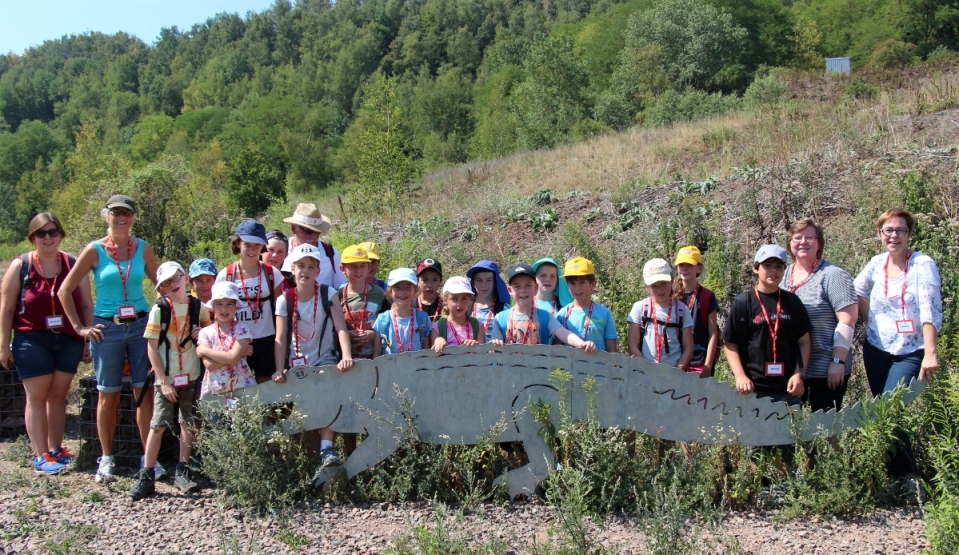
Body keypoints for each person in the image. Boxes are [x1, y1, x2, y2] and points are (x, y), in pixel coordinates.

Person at [57, 194, 160, 483]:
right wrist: (80, 328)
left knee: (144, 393)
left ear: (133, 217)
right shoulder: (94, 251)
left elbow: (161, 284)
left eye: (126, 213)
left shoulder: (142, 248)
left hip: (141, 326)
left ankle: (148, 459)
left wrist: (164, 317)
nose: (121, 218)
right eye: (115, 213)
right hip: (107, 329)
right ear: (107, 217)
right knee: (107, 394)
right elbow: (65, 290)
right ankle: (107, 458)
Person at [0, 213, 93, 475]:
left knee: (58, 396)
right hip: (32, 338)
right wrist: (3, 346)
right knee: (37, 396)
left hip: (68, 338)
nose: (48, 237)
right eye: (41, 233)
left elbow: (86, 303)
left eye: (53, 232)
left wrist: (87, 337)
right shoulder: (21, 266)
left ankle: (55, 449)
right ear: (33, 237)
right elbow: (7, 309)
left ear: (60, 234)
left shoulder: (72, 263)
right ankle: (40, 455)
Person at [854, 208, 942, 477]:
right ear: (880, 234)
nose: (894, 236)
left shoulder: (922, 264)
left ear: (909, 234)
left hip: (910, 350)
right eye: (888, 230)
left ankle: (905, 476)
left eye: (900, 230)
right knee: (885, 410)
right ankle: (897, 474)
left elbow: (929, 308)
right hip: (876, 348)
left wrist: (931, 352)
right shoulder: (876, 263)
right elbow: (856, 290)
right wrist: (872, 320)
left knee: (890, 409)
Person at [130, 262, 211, 500]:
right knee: (158, 424)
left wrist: (203, 335)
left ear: (186, 279)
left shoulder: (199, 307)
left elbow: (210, 333)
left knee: (187, 423)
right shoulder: (160, 309)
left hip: (193, 374)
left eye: (176, 278)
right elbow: (152, 348)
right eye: (167, 283)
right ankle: (147, 474)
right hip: (166, 377)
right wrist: (163, 380)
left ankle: (182, 472)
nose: (173, 285)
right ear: (162, 288)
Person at [272, 244, 354, 467]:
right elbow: (280, 339)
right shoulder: (284, 300)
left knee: (328, 396)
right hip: (296, 362)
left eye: (311, 267)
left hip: (324, 358)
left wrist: (346, 355)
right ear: (292, 268)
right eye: (300, 266)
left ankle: (327, 449)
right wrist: (280, 368)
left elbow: (340, 328)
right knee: (302, 409)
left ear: (318, 271)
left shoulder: (328, 294)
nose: (305, 271)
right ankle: (305, 461)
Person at [782, 219, 858, 412]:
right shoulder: (782, 275)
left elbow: (848, 320)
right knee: (792, 429)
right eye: (797, 238)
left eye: (809, 237)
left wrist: (837, 361)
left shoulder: (833, 275)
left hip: (825, 369)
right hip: (791, 371)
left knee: (825, 430)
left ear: (819, 243)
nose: (803, 242)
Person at [722, 245, 811, 404]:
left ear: (785, 270)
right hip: (752, 388)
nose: (773, 270)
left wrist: (799, 374)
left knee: (789, 429)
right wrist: (740, 376)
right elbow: (730, 344)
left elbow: (804, 341)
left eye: (778, 266)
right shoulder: (743, 302)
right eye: (767, 265)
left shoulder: (793, 302)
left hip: (788, 388)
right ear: (756, 268)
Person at [215, 219, 284, 384]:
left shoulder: (272, 273)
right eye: (247, 244)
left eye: (257, 245)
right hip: (237, 339)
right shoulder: (226, 275)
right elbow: (217, 312)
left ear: (263, 247)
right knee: (238, 387)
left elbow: (279, 309)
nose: (252, 250)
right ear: (238, 243)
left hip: (267, 338)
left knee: (267, 387)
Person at [489, 263, 597, 352]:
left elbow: (563, 333)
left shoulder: (545, 317)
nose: (523, 290)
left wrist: (582, 343)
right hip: (509, 375)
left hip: (539, 375)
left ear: (535, 288)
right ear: (509, 290)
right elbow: (495, 346)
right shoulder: (500, 318)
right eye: (517, 286)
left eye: (528, 285)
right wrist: (495, 344)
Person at [627, 259, 693, 369]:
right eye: (654, 285)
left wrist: (677, 371)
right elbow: (632, 346)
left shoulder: (682, 310)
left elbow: (688, 348)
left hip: (673, 373)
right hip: (645, 373)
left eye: (663, 284)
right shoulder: (640, 308)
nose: (660, 289)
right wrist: (645, 370)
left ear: (672, 281)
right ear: (646, 286)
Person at [196, 282, 257, 399]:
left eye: (229, 304)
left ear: (236, 307)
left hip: (242, 388)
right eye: (219, 304)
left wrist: (204, 350)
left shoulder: (242, 329)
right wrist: (238, 354)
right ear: (213, 306)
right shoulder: (205, 332)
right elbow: (209, 365)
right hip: (215, 391)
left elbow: (233, 358)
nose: (224, 309)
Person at [673, 246, 719, 377]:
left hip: (699, 362)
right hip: (675, 361)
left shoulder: (707, 296)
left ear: (699, 268)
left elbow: (713, 334)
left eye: (689, 264)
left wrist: (708, 366)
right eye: (681, 264)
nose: (685, 268)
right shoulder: (671, 296)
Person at [556, 257, 617, 352]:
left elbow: (612, 352)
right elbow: (557, 348)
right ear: (567, 285)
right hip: (569, 366)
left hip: (598, 366)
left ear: (593, 284)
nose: (577, 288)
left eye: (582, 283)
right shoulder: (562, 315)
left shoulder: (605, 314)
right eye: (572, 283)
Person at [337, 244, 385, 361]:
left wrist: (374, 335)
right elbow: (333, 326)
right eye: (353, 266)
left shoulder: (379, 293)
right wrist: (348, 334)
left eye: (362, 265)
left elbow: (386, 322)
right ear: (342, 269)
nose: (358, 270)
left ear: (368, 267)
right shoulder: (337, 295)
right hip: (347, 358)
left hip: (373, 357)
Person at [282, 203, 346, 289]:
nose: (314, 236)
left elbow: (340, 286)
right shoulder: (281, 250)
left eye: (318, 231)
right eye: (308, 231)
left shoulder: (330, 253)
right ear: (294, 228)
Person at [374, 268, 436, 355]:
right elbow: (377, 356)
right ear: (390, 291)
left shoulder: (423, 319)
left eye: (408, 288)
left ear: (415, 290)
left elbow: (427, 355)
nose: (402, 292)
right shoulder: (382, 321)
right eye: (397, 287)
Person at [432, 276, 485, 352]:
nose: (459, 304)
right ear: (445, 300)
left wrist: (476, 347)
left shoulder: (478, 326)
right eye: (454, 299)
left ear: (470, 299)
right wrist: (438, 340)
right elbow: (433, 358)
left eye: (464, 298)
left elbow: (483, 356)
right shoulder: (437, 328)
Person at [466, 260, 511, 343]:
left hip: (495, 355)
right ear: (473, 284)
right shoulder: (466, 307)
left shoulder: (504, 309)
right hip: (471, 354)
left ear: (495, 283)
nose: (484, 285)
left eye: (489, 280)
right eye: (479, 280)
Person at [415, 259, 444, 323]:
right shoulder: (411, 305)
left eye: (434, 280)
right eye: (425, 280)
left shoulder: (445, 305)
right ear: (417, 281)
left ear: (440, 281)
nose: (430, 285)